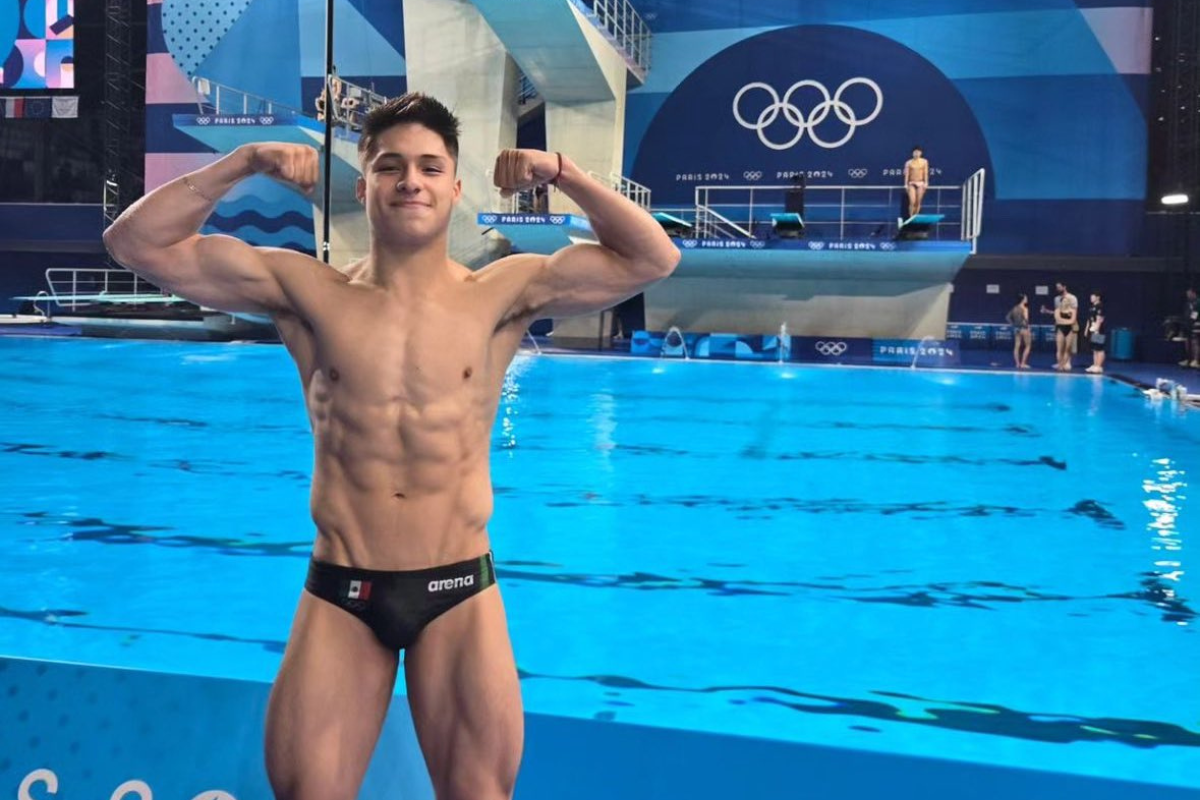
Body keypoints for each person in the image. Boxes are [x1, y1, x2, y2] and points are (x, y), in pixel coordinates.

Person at [101, 93, 680, 800]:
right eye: (392, 166)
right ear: (362, 184)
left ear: (455, 187)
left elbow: (653, 256)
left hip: (458, 589)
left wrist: (562, 172)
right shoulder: (305, 291)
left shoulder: (503, 293)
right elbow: (136, 245)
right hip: (346, 590)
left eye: (431, 167)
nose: (412, 181)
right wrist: (243, 163)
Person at [1040, 281, 1078, 371]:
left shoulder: (1072, 299)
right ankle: (1060, 364)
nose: (1058, 289)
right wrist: (1047, 311)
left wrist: (1065, 321)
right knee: (1060, 348)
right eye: (1057, 287)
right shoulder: (1057, 299)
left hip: (1070, 328)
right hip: (1060, 328)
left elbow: (1072, 319)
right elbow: (1057, 316)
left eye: (1059, 287)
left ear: (1064, 287)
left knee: (1068, 348)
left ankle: (1066, 363)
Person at [1006, 292, 1032, 369]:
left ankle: (1017, 364)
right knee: (1028, 346)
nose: (1027, 299)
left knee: (1017, 346)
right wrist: (1027, 327)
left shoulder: (1015, 308)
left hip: (1017, 329)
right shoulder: (1025, 309)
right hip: (1024, 329)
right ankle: (1023, 363)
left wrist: (1014, 325)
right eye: (1026, 298)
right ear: (1023, 299)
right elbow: (1026, 320)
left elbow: (1007, 317)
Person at [903, 145, 929, 217]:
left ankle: (915, 216)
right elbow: (907, 174)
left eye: (918, 152)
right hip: (911, 183)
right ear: (912, 153)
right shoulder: (908, 163)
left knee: (918, 202)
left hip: (921, 183)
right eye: (915, 152)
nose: (916, 154)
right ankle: (911, 216)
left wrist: (926, 183)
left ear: (921, 153)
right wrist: (905, 184)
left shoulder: (924, 162)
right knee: (912, 201)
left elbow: (925, 173)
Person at [1084, 290, 1106, 374]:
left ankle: (1099, 366)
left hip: (1098, 330)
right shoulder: (1092, 307)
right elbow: (1089, 319)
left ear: (1098, 297)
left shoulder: (1100, 306)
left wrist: (1097, 329)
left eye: (1092, 296)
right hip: (1092, 329)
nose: (1091, 298)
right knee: (1094, 348)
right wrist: (1087, 329)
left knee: (1099, 348)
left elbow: (1099, 319)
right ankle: (1095, 365)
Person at [1183, 287, 1199, 368]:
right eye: (1187, 294)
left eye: (1189, 294)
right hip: (1188, 325)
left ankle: (1196, 360)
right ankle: (1189, 359)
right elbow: (1187, 314)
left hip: (1196, 325)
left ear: (1194, 293)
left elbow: (1196, 314)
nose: (1188, 295)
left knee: (1195, 342)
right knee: (1187, 342)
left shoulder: (1198, 302)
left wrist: (1192, 321)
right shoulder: (1188, 303)